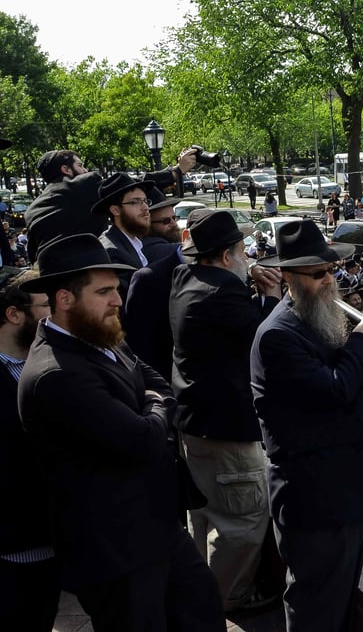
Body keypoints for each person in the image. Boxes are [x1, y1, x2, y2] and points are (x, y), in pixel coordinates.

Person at [17, 234, 223, 631]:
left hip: (156, 528)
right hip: (116, 553)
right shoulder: (57, 373)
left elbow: (155, 382)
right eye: (105, 291)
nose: (117, 300)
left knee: (202, 608)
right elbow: (143, 439)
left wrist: (152, 406)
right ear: (64, 299)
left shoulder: (98, 336)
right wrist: (157, 408)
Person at [251, 220, 363, 631]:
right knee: (315, 604)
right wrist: (359, 343)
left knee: (339, 601)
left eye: (331, 269)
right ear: (288, 276)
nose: (329, 280)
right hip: (314, 497)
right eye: (318, 274)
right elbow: (333, 390)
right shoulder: (276, 335)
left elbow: (345, 386)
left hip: (341, 490)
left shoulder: (313, 318)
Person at [170, 210, 284, 613]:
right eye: (242, 252)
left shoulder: (185, 279)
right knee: (242, 521)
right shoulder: (223, 292)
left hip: (194, 423)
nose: (249, 259)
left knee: (204, 514)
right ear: (225, 257)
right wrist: (270, 297)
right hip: (226, 431)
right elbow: (262, 339)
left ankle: (202, 590)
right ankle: (227, 597)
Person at [0, 273, 56, 631]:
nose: (55, 314)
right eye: (46, 306)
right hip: (14, 548)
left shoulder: (53, 361)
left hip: (56, 544)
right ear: (14, 314)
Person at [24, 147, 198, 259]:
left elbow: (33, 254)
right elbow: (127, 184)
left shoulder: (33, 208)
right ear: (66, 169)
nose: (86, 170)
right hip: (84, 272)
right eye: (81, 165)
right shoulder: (85, 184)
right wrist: (175, 171)